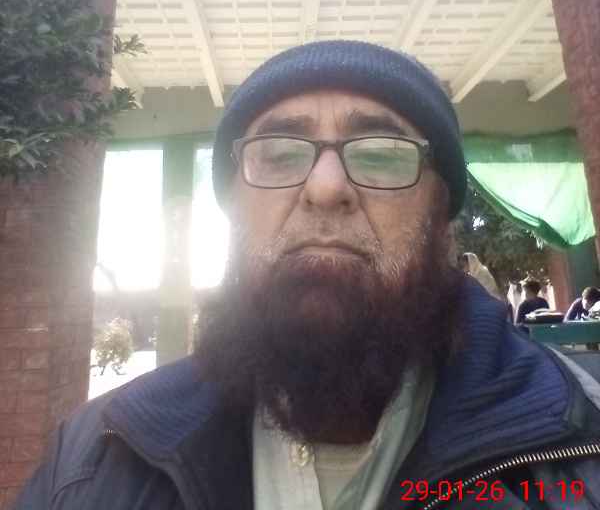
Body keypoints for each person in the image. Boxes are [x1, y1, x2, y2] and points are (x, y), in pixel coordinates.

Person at [15, 40, 600, 509]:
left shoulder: (583, 443)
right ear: (234, 209)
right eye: (278, 154)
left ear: (441, 218)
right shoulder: (93, 461)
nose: (325, 188)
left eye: (380, 153)